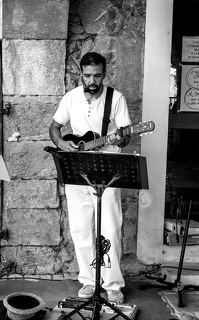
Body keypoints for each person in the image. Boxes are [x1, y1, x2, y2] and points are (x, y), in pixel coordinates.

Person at [49, 52, 131, 304]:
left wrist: (121, 138)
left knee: (110, 229)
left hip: (108, 173)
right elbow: (54, 128)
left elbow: (127, 135)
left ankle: (113, 284)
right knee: (80, 229)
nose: (92, 80)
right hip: (78, 173)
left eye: (97, 75)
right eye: (87, 75)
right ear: (80, 74)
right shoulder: (70, 97)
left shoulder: (116, 99)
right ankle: (88, 280)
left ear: (104, 74)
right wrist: (62, 143)